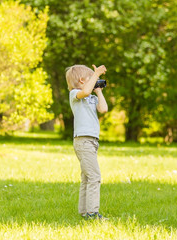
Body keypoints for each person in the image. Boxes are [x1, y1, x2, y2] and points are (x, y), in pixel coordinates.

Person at [65, 64, 108, 220]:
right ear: (82, 80)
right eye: (92, 78)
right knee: (94, 177)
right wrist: (96, 73)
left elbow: (103, 109)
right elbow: (85, 91)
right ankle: (92, 213)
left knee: (87, 178)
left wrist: (99, 91)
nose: (95, 80)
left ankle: (84, 211)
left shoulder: (91, 97)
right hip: (83, 141)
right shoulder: (75, 94)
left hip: (91, 142)